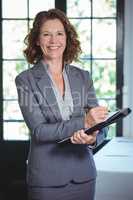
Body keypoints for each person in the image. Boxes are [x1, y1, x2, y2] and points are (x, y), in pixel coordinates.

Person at [15, 8, 108, 200]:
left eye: (59, 33)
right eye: (46, 34)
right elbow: (40, 131)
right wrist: (83, 123)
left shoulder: (83, 77)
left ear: (67, 38)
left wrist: (92, 138)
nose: (53, 41)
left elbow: (99, 126)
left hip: (84, 176)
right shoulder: (25, 80)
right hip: (46, 180)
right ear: (37, 40)